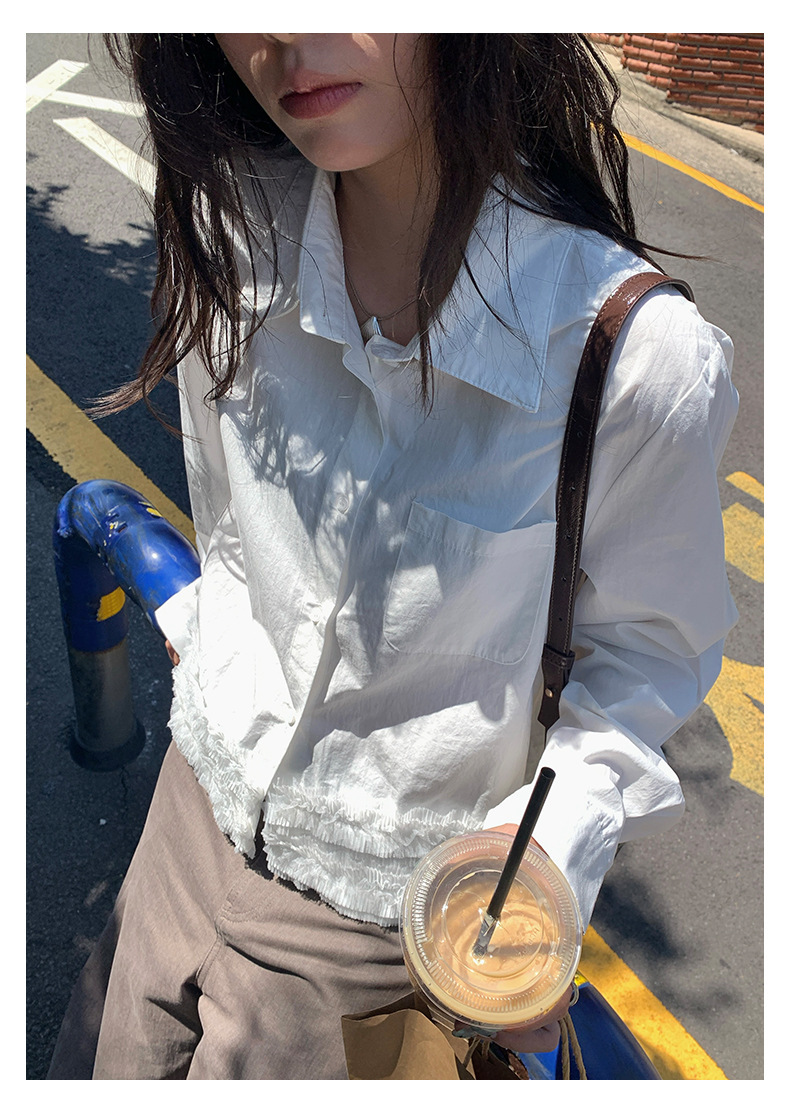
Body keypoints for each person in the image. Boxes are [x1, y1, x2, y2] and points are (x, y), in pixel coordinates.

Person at [48, 33, 738, 1080]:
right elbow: (227, 521)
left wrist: (539, 867)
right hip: (184, 816)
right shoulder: (234, 223)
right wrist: (210, 636)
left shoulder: (634, 356)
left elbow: (646, 658)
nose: (289, 32)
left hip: (382, 936)